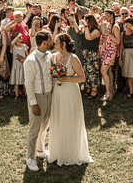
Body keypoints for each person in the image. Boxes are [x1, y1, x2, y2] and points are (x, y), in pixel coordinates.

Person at [48, 33, 93, 166]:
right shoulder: (53, 57)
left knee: (70, 119)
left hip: (70, 92)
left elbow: (82, 78)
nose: (53, 43)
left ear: (62, 44)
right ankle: (58, 151)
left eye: (55, 41)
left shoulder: (73, 58)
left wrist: (66, 78)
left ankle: (72, 152)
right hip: (58, 92)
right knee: (58, 119)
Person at [24, 31, 54, 171]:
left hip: (49, 95)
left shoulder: (49, 56)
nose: (52, 41)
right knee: (34, 129)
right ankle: (30, 158)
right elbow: (28, 84)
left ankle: (40, 151)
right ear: (44, 43)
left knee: (45, 125)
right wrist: (33, 103)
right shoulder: (30, 60)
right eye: (50, 40)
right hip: (37, 97)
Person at [99, 9, 120, 101]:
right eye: (104, 15)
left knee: (103, 70)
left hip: (111, 51)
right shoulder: (106, 24)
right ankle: (112, 90)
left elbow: (118, 41)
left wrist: (109, 34)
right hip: (104, 50)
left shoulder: (115, 26)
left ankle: (107, 93)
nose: (105, 17)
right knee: (109, 71)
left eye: (107, 15)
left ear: (112, 15)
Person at [119, 17, 133, 99]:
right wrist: (120, 58)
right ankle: (131, 92)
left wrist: (132, 27)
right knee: (128, 75)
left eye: (129, 24)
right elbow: (121, 46)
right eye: (126, 24)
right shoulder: (123, 33)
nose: (127, 25)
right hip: (126, 53)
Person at [81, 14, 101, 99]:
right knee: (86, 70)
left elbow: (88, 37)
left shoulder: (96, 30)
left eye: (86, 20)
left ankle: (94, 89)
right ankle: (88, 87)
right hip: (85, 51)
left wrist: (85, 26)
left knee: (93, 71)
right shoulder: (86, 28)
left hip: (92, 52)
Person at [9, 32, 29, 100]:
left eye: (21, 37)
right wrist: (17, 36)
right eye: (19, 37)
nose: (21, 38)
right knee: (16, 81)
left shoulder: (24, 46)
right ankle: (16, 95)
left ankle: (26, 94)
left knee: (24, 81)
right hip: (16, 66)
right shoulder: (13, 47)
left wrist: (24, 59)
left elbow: (27, 55)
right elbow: (11, 43)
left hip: (23, 65)